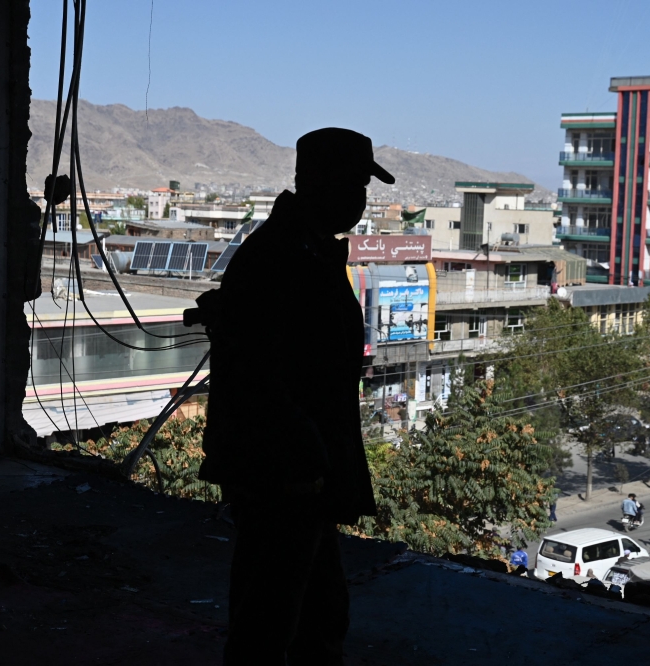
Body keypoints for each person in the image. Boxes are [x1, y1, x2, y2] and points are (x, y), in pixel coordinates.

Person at [198, 128, 395, 665]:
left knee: (317, 612)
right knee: (270, 618)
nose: (361, 200)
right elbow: (258, 373)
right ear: (323, 183)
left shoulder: (305, 249)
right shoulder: (283, 255)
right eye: (357, 186)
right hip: (284, 472)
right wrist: (302, 452)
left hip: (305, 469)